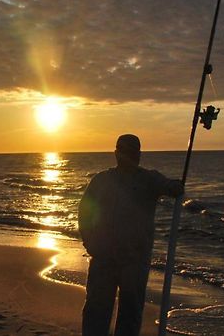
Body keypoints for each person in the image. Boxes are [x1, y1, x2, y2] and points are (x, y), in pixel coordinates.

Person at [78, 134, 184, 336]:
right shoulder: (101, 180)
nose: (127, 156)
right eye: (123, 151)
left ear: (139, 154)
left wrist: (176, 187)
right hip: (103, 258)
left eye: (131, 152)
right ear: (116, 153)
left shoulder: (149, 179)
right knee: (96, 311)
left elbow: (170, 187)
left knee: (131, 312)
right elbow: (85, 211)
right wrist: (89, 241)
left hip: (135, 260)